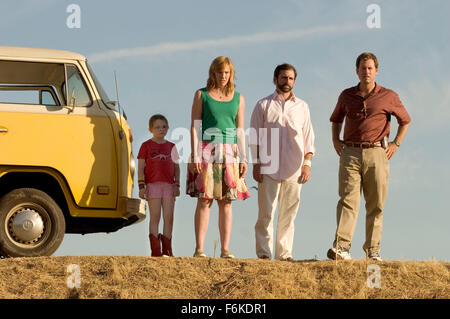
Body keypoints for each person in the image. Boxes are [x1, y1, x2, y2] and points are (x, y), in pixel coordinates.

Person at [327, 52, 411, 261]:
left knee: (376, 203)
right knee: (348, 200)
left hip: (377, 153)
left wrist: (396, 143)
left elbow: (405, 120)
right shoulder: (346, 95)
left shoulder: (389, 96)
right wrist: (336, 140)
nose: (366, 72)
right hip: (350, 153)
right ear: (357, 71)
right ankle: (342, 247)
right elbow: (336, 119)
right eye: (363, 68)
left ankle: (373, 250)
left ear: (376, 71)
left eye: (370, 68)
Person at [250, 63, 315, 261]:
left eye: (291, 78)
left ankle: (284, 254)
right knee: (266, 213)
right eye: (284, 78)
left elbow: (308, 137)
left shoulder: (302, 107)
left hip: (294, 167)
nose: (287, 82)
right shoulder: (263, 105)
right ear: (275, 79)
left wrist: (307, 163)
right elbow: (254, 136)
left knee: (288, 214)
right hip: (268, 166)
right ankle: (264, 253)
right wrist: (256, 163)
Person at [187, 56, 250, 258]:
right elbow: (195, 127)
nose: (223, 76)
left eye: (227, 72)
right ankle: (199, 249)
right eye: (219, 72)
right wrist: (195, 153)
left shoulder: (238, 98)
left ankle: (225, 249)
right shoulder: (201, 95)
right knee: (204, 200)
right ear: (213, 73)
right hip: (207, 149)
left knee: (227, 201)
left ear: (231, 74)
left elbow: (240, 130)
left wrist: (244, 158)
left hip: (230, 152)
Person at [138, 114, 180, 257]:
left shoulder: (171, 147)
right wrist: (141, 186)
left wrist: (177, 184)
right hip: (153, 185)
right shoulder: (146, 146)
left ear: (167, 128)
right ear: (151, 129)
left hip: (168, 186)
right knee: (155, 216)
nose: (161, 130)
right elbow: (140, 168)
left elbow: (176, 167)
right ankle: (156, 250)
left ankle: (167, 249)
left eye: (164, 127)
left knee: (169, 217)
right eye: (157, 127)